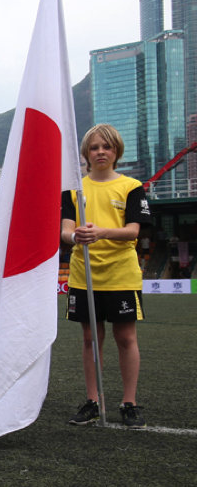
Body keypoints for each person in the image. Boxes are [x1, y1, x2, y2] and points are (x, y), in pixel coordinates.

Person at [62, 124, 151, 429]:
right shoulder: (74, 190)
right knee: (90, 340)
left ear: (116, 152)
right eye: (94, 147)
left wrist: (100, 233)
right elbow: (65, 231)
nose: (100, 152)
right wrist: (77, 238)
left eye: (107, 147)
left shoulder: (131, 187)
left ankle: (129, 402)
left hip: (121, 274)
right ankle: (92, 400)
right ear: (86, 153)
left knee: (125, 337)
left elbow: (132, 232)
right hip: (83, 275)